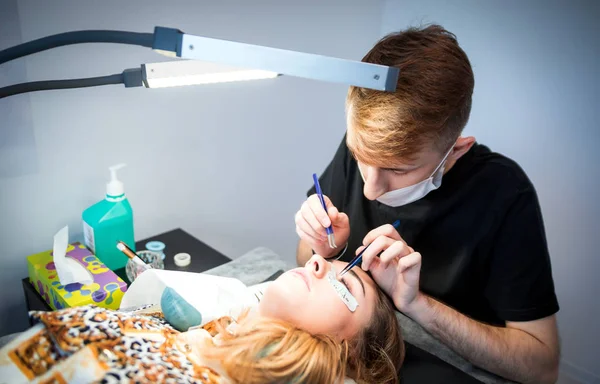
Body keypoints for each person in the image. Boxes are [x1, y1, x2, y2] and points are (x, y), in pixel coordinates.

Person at [295, 25, 560, 383]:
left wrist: (416, 303)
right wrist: (325, 246)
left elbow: (541, 368)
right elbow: (305, 259)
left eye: (397, 170)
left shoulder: (504, 193)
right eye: (361, 157)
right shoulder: (369, 145)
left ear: (457, 149)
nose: (371, 190)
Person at [0, 256, 404, 384]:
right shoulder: (211, 332)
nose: (317, 263)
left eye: (345, 285)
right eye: (330, 260)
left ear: (349, 351)